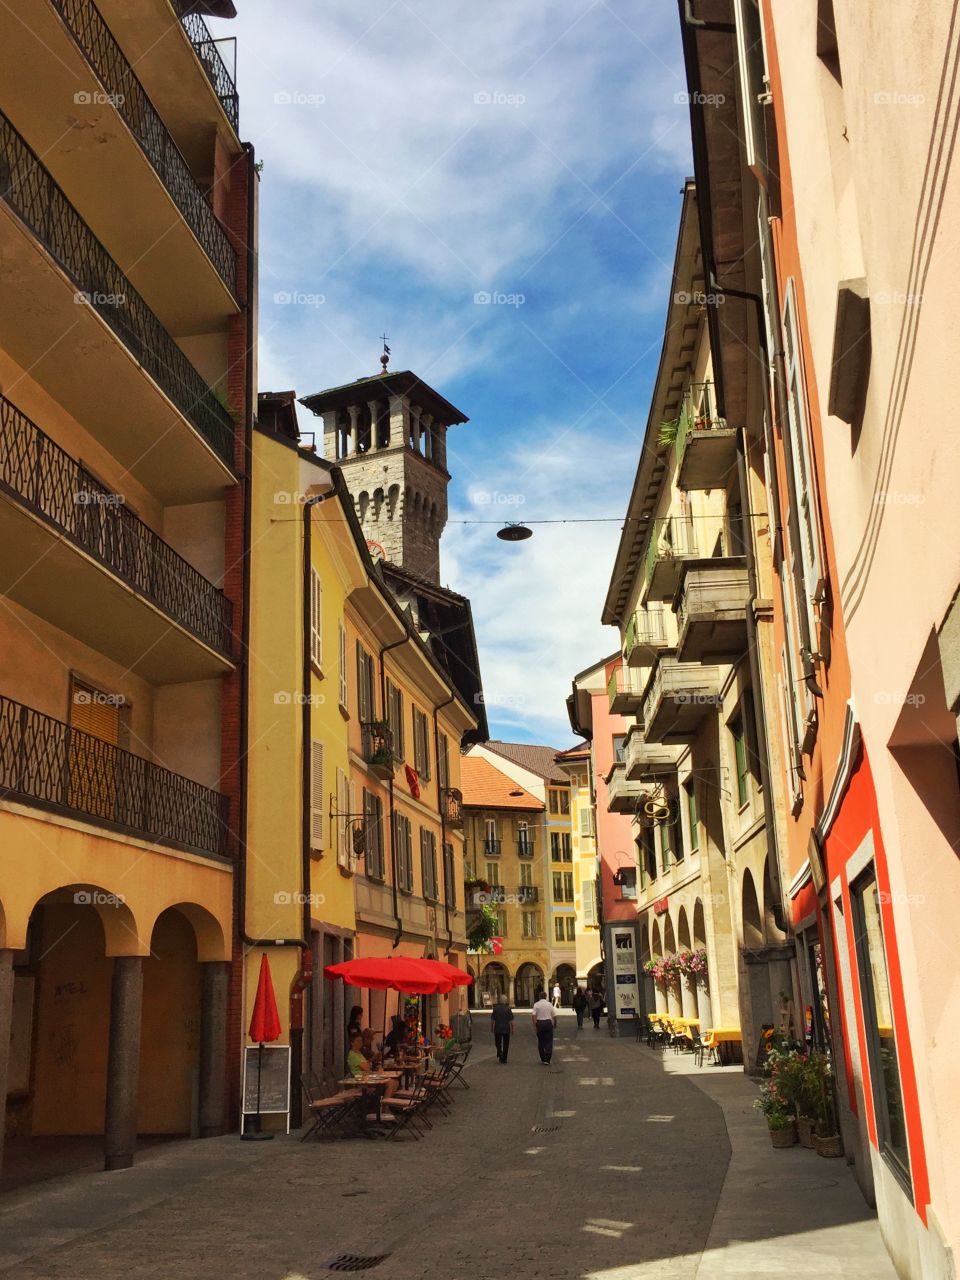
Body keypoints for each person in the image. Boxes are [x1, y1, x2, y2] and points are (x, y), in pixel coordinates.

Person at [346, 1032, 397, 1098]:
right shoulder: (353, 1055)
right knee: (391, 1083)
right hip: (362, 1080)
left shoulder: (359, 1053)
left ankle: (384, 1102)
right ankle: (384, 1106)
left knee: (395, 1082)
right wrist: (368, 1064)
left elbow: (368, 1065)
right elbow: (367, 1067)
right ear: (352, 1043)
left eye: (361, 1041)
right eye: (358, 1041)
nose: (360, 1043)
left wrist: (368, 1064)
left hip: (368, 1077)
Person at [532, 987, 557, 1065]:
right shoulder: (549, 1004)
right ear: (546, 997)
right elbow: (555, 1016)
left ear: (539, 997)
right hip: (548, 1023)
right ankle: (547, 1059)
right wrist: (555, 1024)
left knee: (541, 1041)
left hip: (540, 1023)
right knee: (549, 1041)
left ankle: (543, 1058)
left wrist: (535, 1025)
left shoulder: (536, 1004)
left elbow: (533, 1016)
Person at [490, 993, 514, 1064]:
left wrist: (491, 1027)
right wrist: (513, 1029)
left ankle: (500, 1054)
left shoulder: (496, 1008)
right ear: (506, 1001)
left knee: (497, 1043)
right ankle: (505, 1058)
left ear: (500, 1000)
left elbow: (492, 1019)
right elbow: (511, 1020)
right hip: (506, 1028)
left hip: (497, 1028)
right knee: (506, 1044)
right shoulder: (508, 1009)